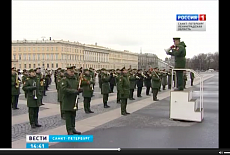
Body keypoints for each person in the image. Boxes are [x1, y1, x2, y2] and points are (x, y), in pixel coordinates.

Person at [61, 66, 82, 135]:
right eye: (71, 71)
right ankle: (69, 130)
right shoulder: (64, 79)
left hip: (74, 100)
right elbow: (64, 89)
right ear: (67, 71)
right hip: (67, 100)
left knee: (73, 115)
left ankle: (73, 128)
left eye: (73, 71)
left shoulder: (75, 79)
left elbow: (76, 87)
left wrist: (79, 90)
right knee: (68, 117)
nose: (72, 73)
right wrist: (74, 91)